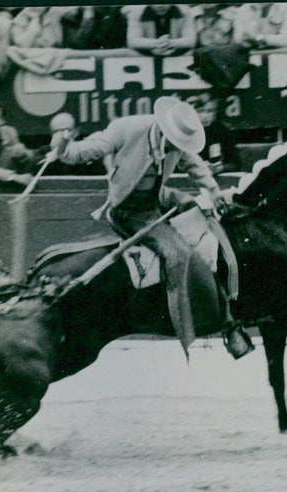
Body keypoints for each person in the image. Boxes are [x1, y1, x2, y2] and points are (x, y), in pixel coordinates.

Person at [52, 96, 254, 359]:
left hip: (158, 198)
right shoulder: (126, 129)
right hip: (129, 211)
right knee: (178, 253)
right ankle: (191, 321)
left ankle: (225, 315)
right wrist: (64, 147)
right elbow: (83, 151)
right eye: (175, 142)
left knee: (204, 221)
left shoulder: (179, 142)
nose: (177, 148)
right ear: (163, 128)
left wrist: (214, 192)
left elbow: (194, 164)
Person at [192, 93, 241, 173]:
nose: (205, 115)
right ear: (195, 112)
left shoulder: (222, 131)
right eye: (201, 111)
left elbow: (235, 163)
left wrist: (220, 168)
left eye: (210, 111)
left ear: (215, 113)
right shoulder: (188, 132)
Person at [124, 4, 197, 56]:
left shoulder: (184, 11)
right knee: (124, 53)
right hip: (146, 54)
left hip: (176, 54)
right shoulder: (137, 12)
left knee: (193, 54)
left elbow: (191, 40)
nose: (160, 5)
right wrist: (157, 44)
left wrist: (170, 43)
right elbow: (132, 41)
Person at [60, 6, 127, 50]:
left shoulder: (112, 12)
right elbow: (76, 45)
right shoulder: (69, 14)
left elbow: (116, 42)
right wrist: (87, 17)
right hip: (81, 60)